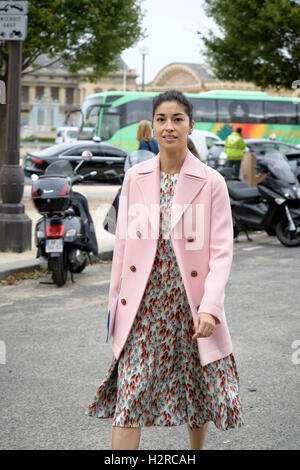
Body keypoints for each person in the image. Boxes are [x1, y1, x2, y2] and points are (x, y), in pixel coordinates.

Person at [88, 90, 244, 450]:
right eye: (161, 119)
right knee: (131, 394)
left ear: (191, 124)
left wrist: (210, 307)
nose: (169, 126)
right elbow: (123, 246)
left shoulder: (211, 182)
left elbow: (222, 252)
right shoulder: (135, 177)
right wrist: (115, 304)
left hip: (189, 306)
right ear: (152, 125)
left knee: (196, 388)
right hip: (142, 307)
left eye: (177, 119)